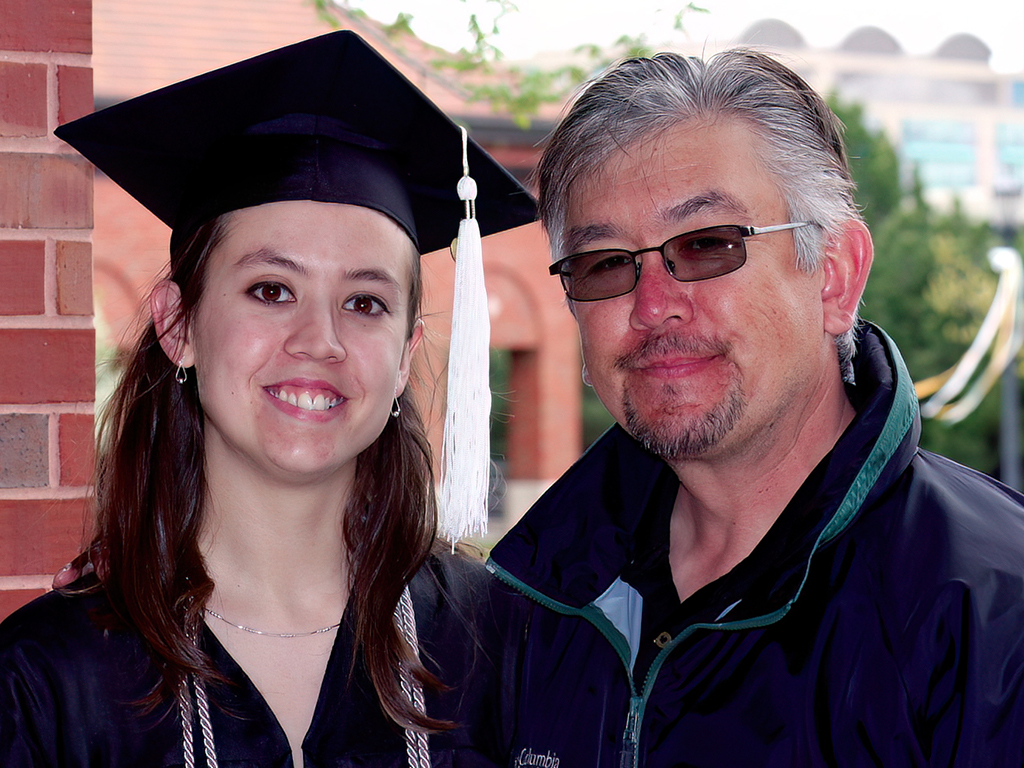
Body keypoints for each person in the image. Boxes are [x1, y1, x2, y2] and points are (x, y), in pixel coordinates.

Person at [0, 31, 533, 767]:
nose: (321, 339)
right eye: (271, 290)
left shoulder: (501, 644)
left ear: (408, 357)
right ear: (177, 325)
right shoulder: (48, 679)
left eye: (366, 302)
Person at [487, 49, 1024, 766]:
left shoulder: (993, 613)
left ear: (834, 278)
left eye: (709, 244)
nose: (652, 308)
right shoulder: (529, 606)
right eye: (607, 262)